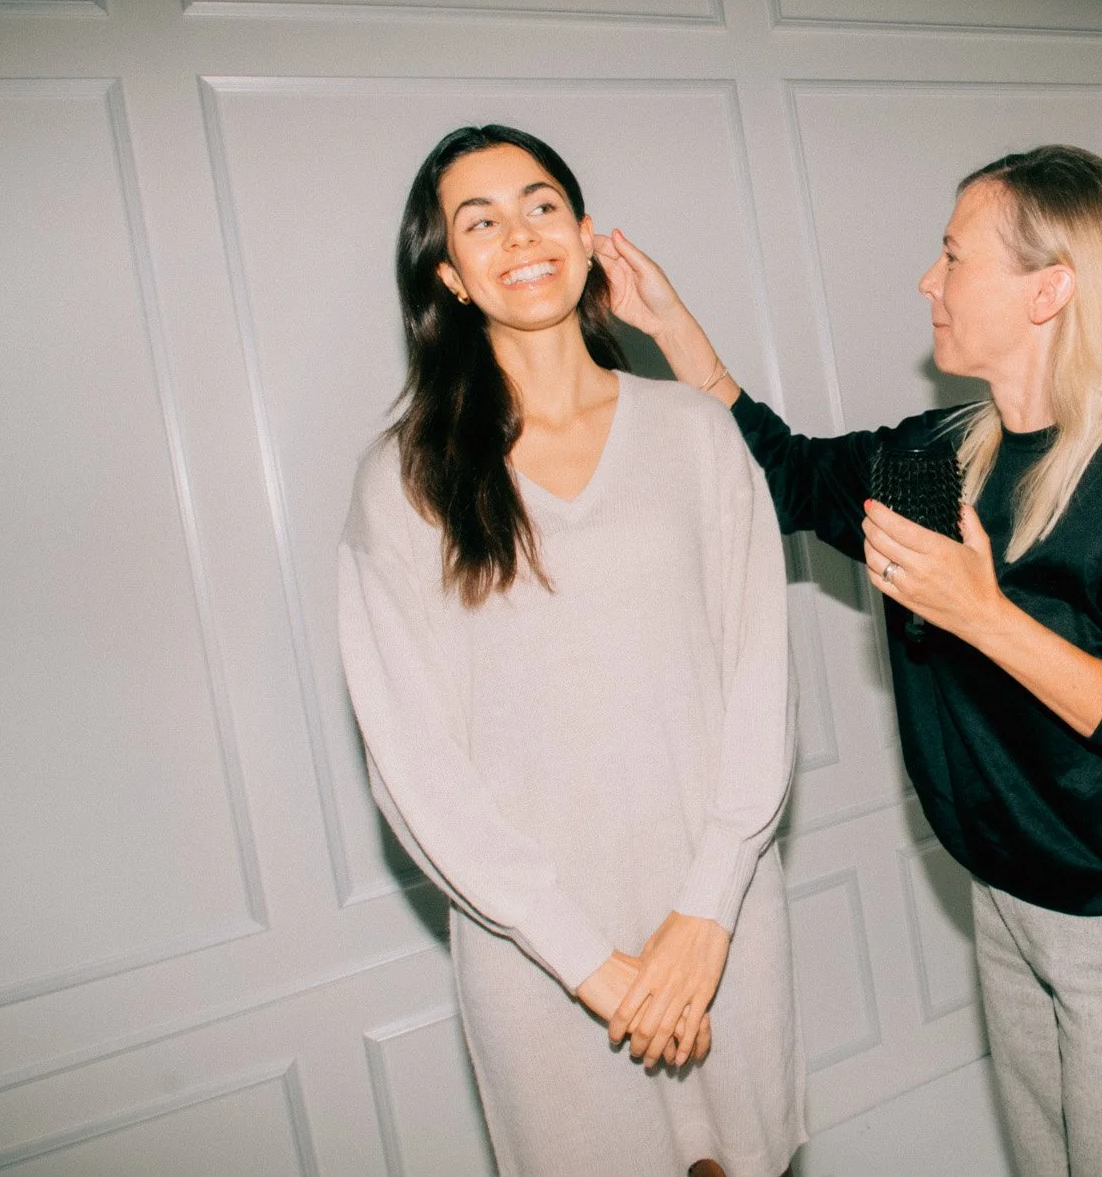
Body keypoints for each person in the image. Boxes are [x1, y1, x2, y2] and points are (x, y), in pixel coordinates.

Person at [599, 144, 1102, 1177]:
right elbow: (784, 475)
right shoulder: (940, 459)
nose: (928, 280)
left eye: (954, 255)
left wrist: (984, 616)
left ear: (1048, 289)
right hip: (1011, 903)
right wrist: (670, 329)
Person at [337, 125, 805, 1177]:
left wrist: (706, 912)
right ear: (450, 276)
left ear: (587, 234)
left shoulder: (694, 431)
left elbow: (759, 681)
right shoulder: (405, 479)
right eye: (480, 222)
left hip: (718, 919)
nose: (520, 235)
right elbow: (413, 763)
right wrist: (592, 965)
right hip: (537, 952)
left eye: (540, 204)